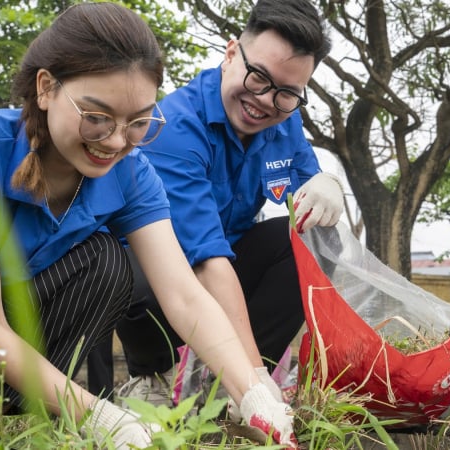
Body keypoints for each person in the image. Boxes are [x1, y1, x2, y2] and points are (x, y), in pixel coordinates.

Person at [0, 3, 297, 448]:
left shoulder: (131, 173)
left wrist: (253, 391)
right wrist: (99, 415)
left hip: (0, 345)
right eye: (97, 117)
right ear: (46, 88)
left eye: (139, 122)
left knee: (106, 264)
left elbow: (185, 294)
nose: (117, 141)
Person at [88, 0, 343, 408]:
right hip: (165, 275)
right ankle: (159, 376)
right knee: (130, 266)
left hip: (228, 267)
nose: (265, 101)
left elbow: (308, 190)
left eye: (287, 93)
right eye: (259, 77)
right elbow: (205, 259)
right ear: (230, 54)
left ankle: (226, 384)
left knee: (308, 237)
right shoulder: (172, 127)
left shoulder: (284, 119)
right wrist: (252, 377)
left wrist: (329, 183)